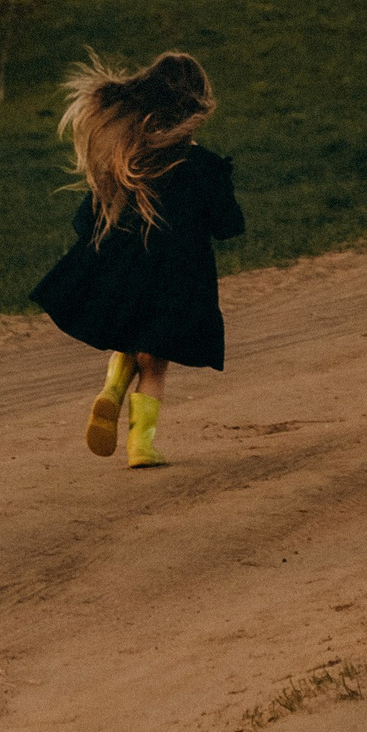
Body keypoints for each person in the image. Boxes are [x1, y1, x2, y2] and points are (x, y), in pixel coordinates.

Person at [29, 52, 245, 468]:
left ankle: (110, 392)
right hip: (178, 279)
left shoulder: (127, 162)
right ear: (195, 105)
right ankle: (141, 446)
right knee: (156, 363)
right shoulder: (202, 166)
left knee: (130, 339)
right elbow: (228, 225)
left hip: (128, 271)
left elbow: (84, 222)